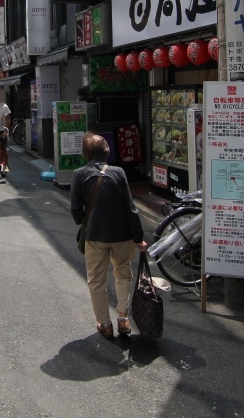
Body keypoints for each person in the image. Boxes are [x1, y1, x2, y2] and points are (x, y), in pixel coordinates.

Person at [70, 133, 148, 339]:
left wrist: (85, 220)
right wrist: (139, 238)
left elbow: (76, 210)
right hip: (123, 234)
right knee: (123, 274)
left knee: (96, 279)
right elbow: (131, 208)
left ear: (85, 153)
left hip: (95, 234)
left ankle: (104, 323)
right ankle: (123, 317)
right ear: (107, 151)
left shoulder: (79, 174)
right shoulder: (118, 172)